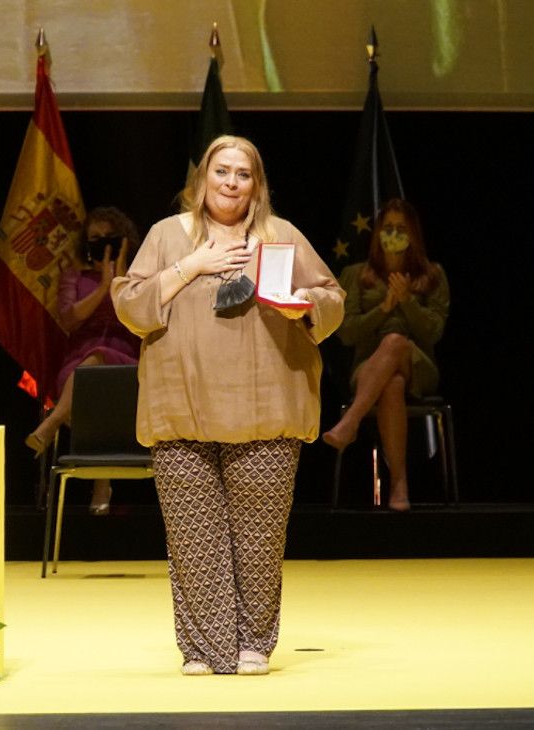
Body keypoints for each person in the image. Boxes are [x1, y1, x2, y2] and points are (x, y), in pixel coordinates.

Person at [112, 135, 344, 676]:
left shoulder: (279, 236)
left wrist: (302, 307)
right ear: (203, 179)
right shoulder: (168, 236)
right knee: (194, 535)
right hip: (181, 410)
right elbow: (129, 303)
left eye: (243, 174)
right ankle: (203, 648)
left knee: (258, 536)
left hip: (266, 411)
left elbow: (330, 297)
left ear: (256, 185)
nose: (231, 182)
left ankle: (252, 644)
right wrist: (191, 266)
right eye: (222, 171)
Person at [321, 199, 450, 511]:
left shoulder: (432, 275)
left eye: (401, 229)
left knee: (395, 342)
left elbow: (433, 332)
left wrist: (405, 301)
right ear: (378, 234)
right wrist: (385, 308)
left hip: (418, 365)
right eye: (388, 228)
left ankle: (350, 422)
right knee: (390, 384)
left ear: (413, 235)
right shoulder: (355, 275)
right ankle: (400, 484)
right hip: (367, 369)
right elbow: (346, 332)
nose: (394, 234)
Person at [24, 206, 142, 515]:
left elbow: (142, 320)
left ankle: (52, 422)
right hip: (77, 362)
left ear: (124, 240)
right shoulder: (73, 277)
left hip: (128, 361)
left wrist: (118, 281)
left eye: (109, 237)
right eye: (95, 238)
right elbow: (69, 319)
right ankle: (102, 483)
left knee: (99, 360)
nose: (102, 242)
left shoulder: (140, 277)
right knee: (91, 366)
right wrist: (102, 285)